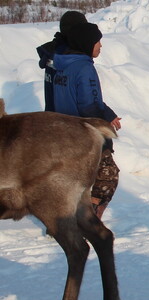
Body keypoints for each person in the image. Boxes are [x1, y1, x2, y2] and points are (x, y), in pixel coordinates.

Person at [50, 19, 121, 219]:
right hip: (84, 133)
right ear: (86, 43)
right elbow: (89, 104)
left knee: (73, 180)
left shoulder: (61, 66)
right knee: (108, 176)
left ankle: (66, 218)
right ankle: (89, 221)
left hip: (63, 132)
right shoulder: (84, 68)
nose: (100, 46)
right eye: (98, 42)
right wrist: (106, 122)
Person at [36, 10, 87, 111]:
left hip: (52, 117)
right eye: (85, 29)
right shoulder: (67, 57)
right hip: (67, 122)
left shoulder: (53, 52)